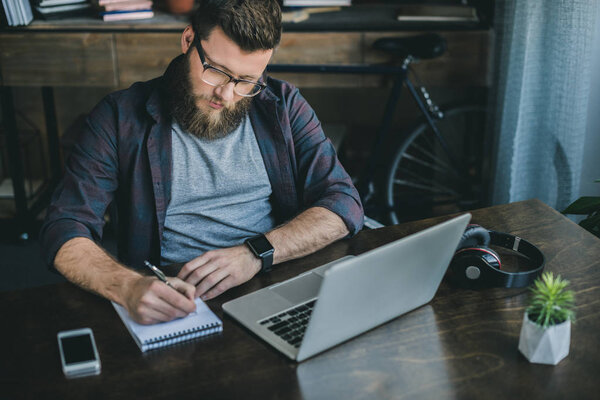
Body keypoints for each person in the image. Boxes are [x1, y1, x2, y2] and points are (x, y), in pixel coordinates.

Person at [40, 0, 363, 325]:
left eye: (247, 80)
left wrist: (257, 253)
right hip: (176, 299)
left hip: (271, 282)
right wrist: (128, 286)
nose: (227, 94)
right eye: (216, 71)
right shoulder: (119, 117)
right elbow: (65, 226)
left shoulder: (283, 106)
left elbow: (343, 202)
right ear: (188, 40)